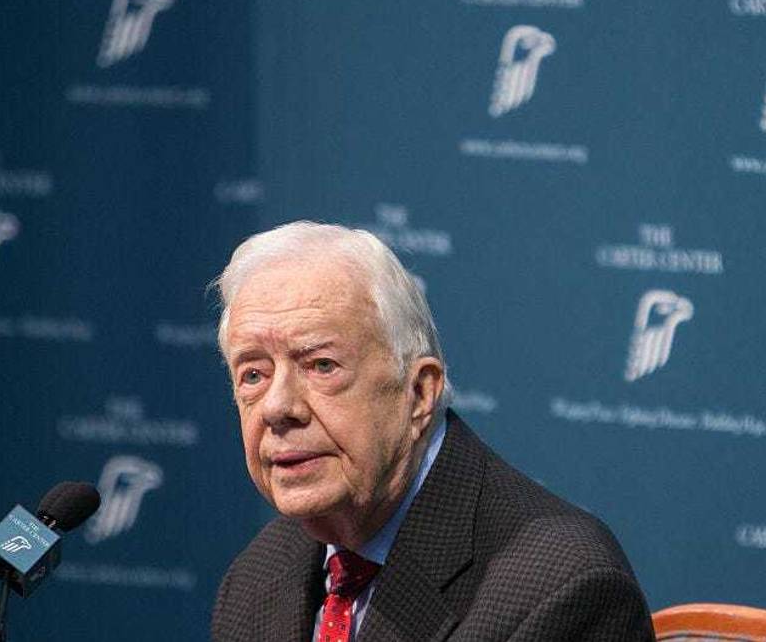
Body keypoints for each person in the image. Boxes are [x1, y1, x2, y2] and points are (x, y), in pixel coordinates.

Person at [210, 221, 655, 642]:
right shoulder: (259, 574)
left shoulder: (560, 586)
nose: (277, 407)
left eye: (322, 366)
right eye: (253, 375)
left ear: (419, 393)